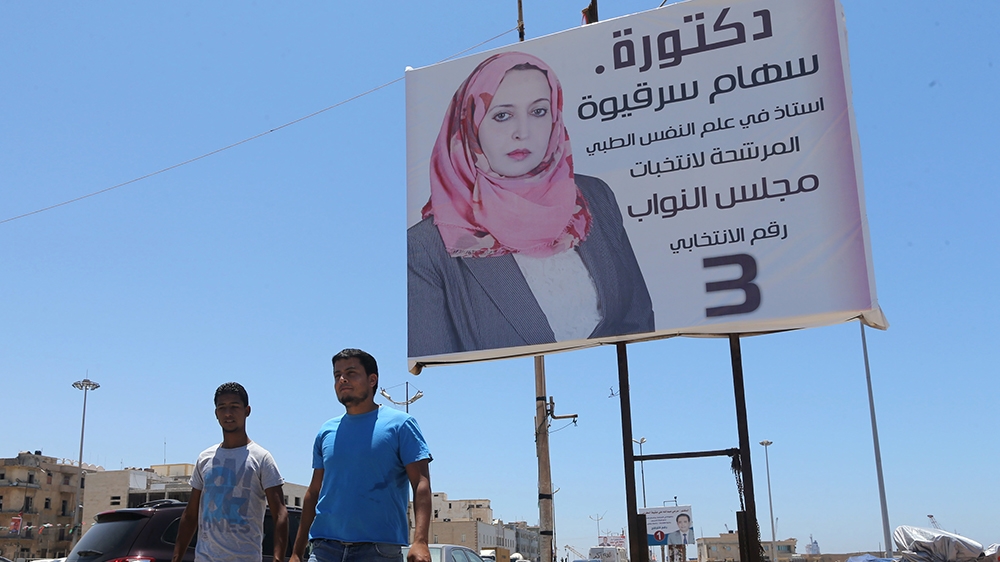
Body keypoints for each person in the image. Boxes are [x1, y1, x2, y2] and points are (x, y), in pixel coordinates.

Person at [407, 51, 654, 358]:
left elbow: (639, 319)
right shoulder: (426, 246)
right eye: (502, 115)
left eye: (538, 112)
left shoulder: (594, 197)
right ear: (469, 125)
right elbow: (441, 366)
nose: (522, 132)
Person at [290, 349, 432, 562]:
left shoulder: (401, 425)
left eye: (351, 372)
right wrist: (296, 553)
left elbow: (421, 483)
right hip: (324, 549)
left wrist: (420, 541)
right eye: (337, 375)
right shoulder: (326, 431)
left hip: (378, 551)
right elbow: (314, 492)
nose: (342, 379)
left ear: (372, 379)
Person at [171, 382, 288, 562]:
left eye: (234, 407)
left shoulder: (262, 458)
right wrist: (176, 558)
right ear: (216, 413)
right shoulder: (204, 458)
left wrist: (278, 558)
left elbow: (280, 513)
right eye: (222, 408)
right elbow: (191, 514)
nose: (228, 414)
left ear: (247, 410)